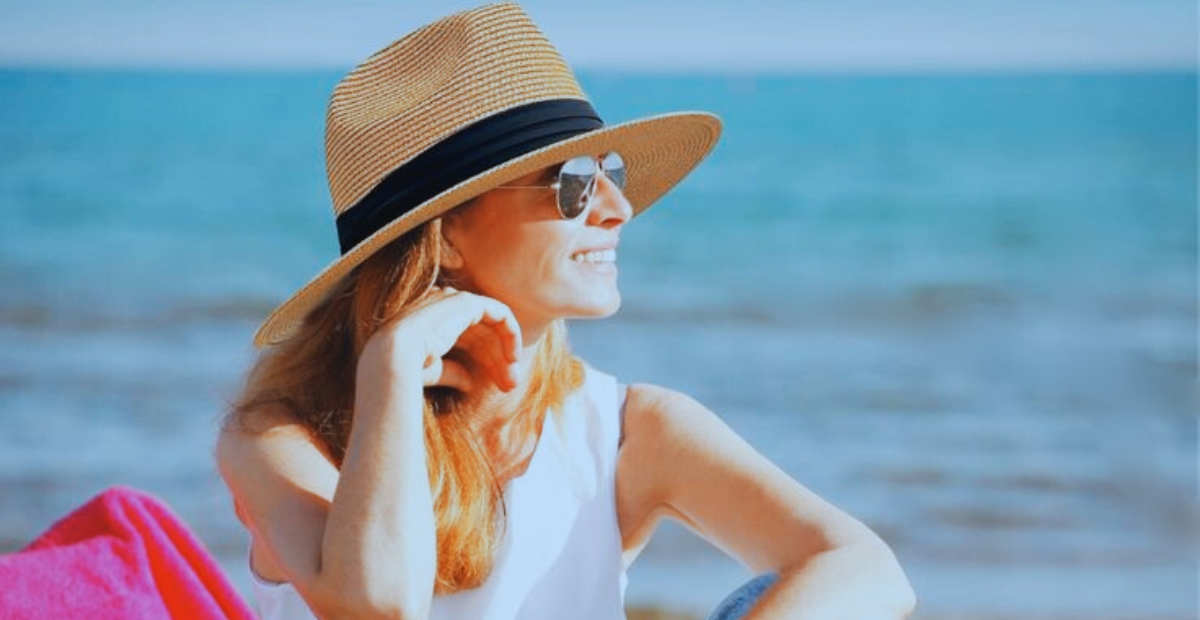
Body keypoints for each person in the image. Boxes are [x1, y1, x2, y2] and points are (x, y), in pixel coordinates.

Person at [216, 3, 916, 620]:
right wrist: (391, 373)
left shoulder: (625, 432)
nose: (619, 207)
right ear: (447, 235)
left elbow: (868, 572)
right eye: (573, 182)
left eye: (611, 173)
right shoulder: (281, 438)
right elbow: (377, 605)